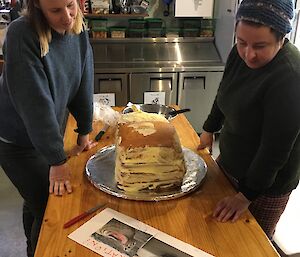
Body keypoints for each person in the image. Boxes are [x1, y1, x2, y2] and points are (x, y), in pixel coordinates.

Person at [0, 0, 97, 256]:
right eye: (55, 11)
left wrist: (84, 132)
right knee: (48, 207)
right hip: (16, 141)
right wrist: (57, 160)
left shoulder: (77, 29)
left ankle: (32, 250)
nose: (66, 16)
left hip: (43, 134)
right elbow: (35, 105)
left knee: (35, 201)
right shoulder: (21, 33)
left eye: (70, 6)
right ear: (37, 9)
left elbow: (84, 81)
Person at [198, 0, 300, 240]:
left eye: (260, 46)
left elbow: (274, 149)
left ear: (281, 38)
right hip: (232, 162)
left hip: (268, 183)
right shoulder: (239, 53)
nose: (248, 54)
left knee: (251, 243)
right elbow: (224, 91)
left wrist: (245, 196)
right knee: (215, 234)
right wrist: (209, 128)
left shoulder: (291, 76)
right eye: (242, 42)